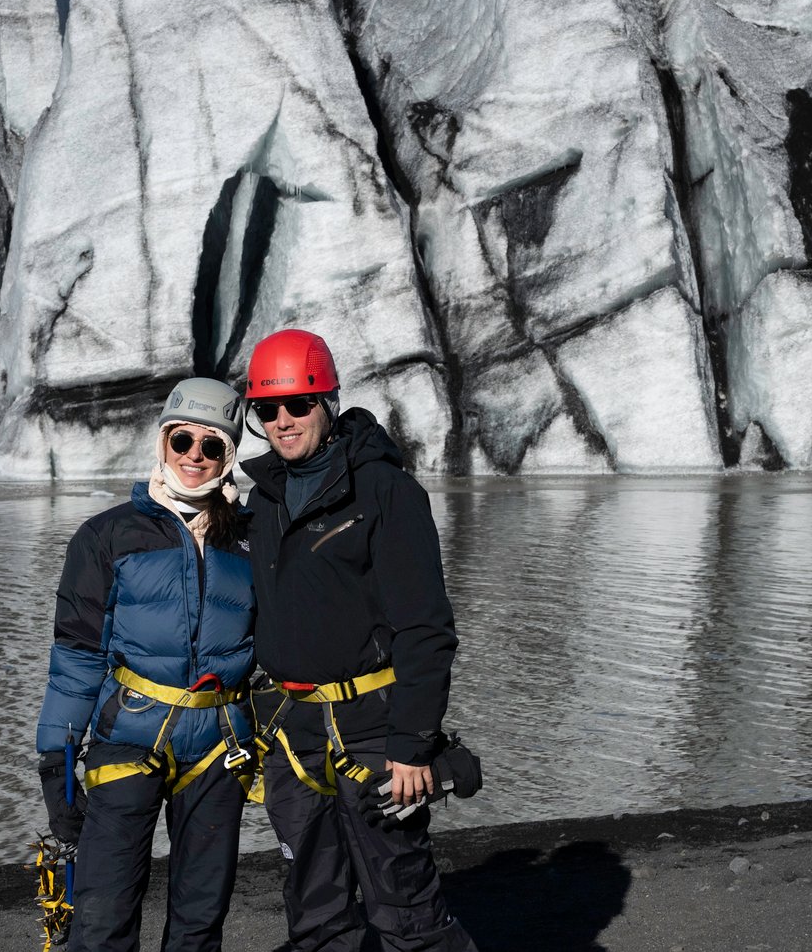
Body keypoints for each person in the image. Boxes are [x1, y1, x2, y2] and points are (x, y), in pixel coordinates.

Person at [239, 329, 480, 952]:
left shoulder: (383, 492)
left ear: (329, 400)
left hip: (371, 730)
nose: (283, 421)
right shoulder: (260, 499)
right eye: (267, 409)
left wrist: (413, 744)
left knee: (405, 902)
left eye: (298, 404)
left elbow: (426, 628)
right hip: (291, 732)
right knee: (313, 904)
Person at [34, 377, 256, 952]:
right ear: (163, 442)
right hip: (128, 736)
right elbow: (76, 656)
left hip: (219, 745)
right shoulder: (107, 535)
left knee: (200, 917)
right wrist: (55, 762)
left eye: (212, 447)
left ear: (229, 455)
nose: (194, 458)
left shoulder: (253, 541)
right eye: (183, 441)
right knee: (103, 916)